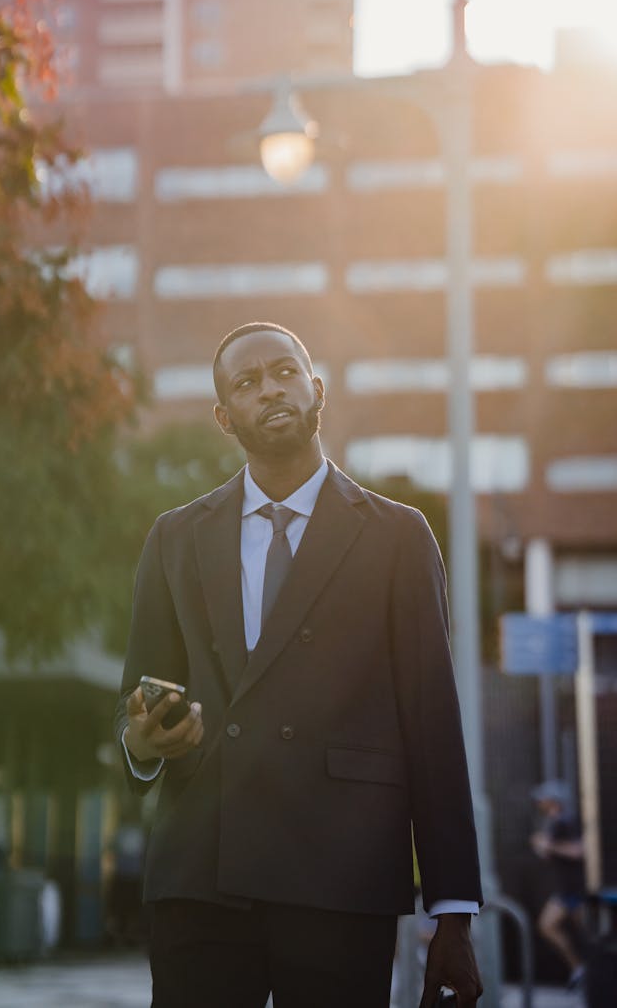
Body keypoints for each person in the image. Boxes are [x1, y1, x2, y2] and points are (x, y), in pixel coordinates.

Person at [115, 322, 483, 1008]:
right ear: (225, 417)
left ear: (316, 390)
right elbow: (137, 699)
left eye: (283, 372)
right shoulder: (174, 536)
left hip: (340, 880)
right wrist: (143, 742)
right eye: (247, 383)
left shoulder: (399, 537)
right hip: (202, 877)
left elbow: (432, 727)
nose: (270, 389)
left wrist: (453, 913)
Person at [530, 780, 586, 988]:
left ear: (553, 801)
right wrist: (542, 845)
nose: (539, 803)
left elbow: (579, 851)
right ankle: (579, 968)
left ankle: (595, 971)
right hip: (564, 891)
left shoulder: (568, 820)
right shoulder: (552, 822)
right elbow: (546, 853)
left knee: (589, 935)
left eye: (543, 799)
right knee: (547, 926)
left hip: (579, 890)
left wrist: (549, 845)